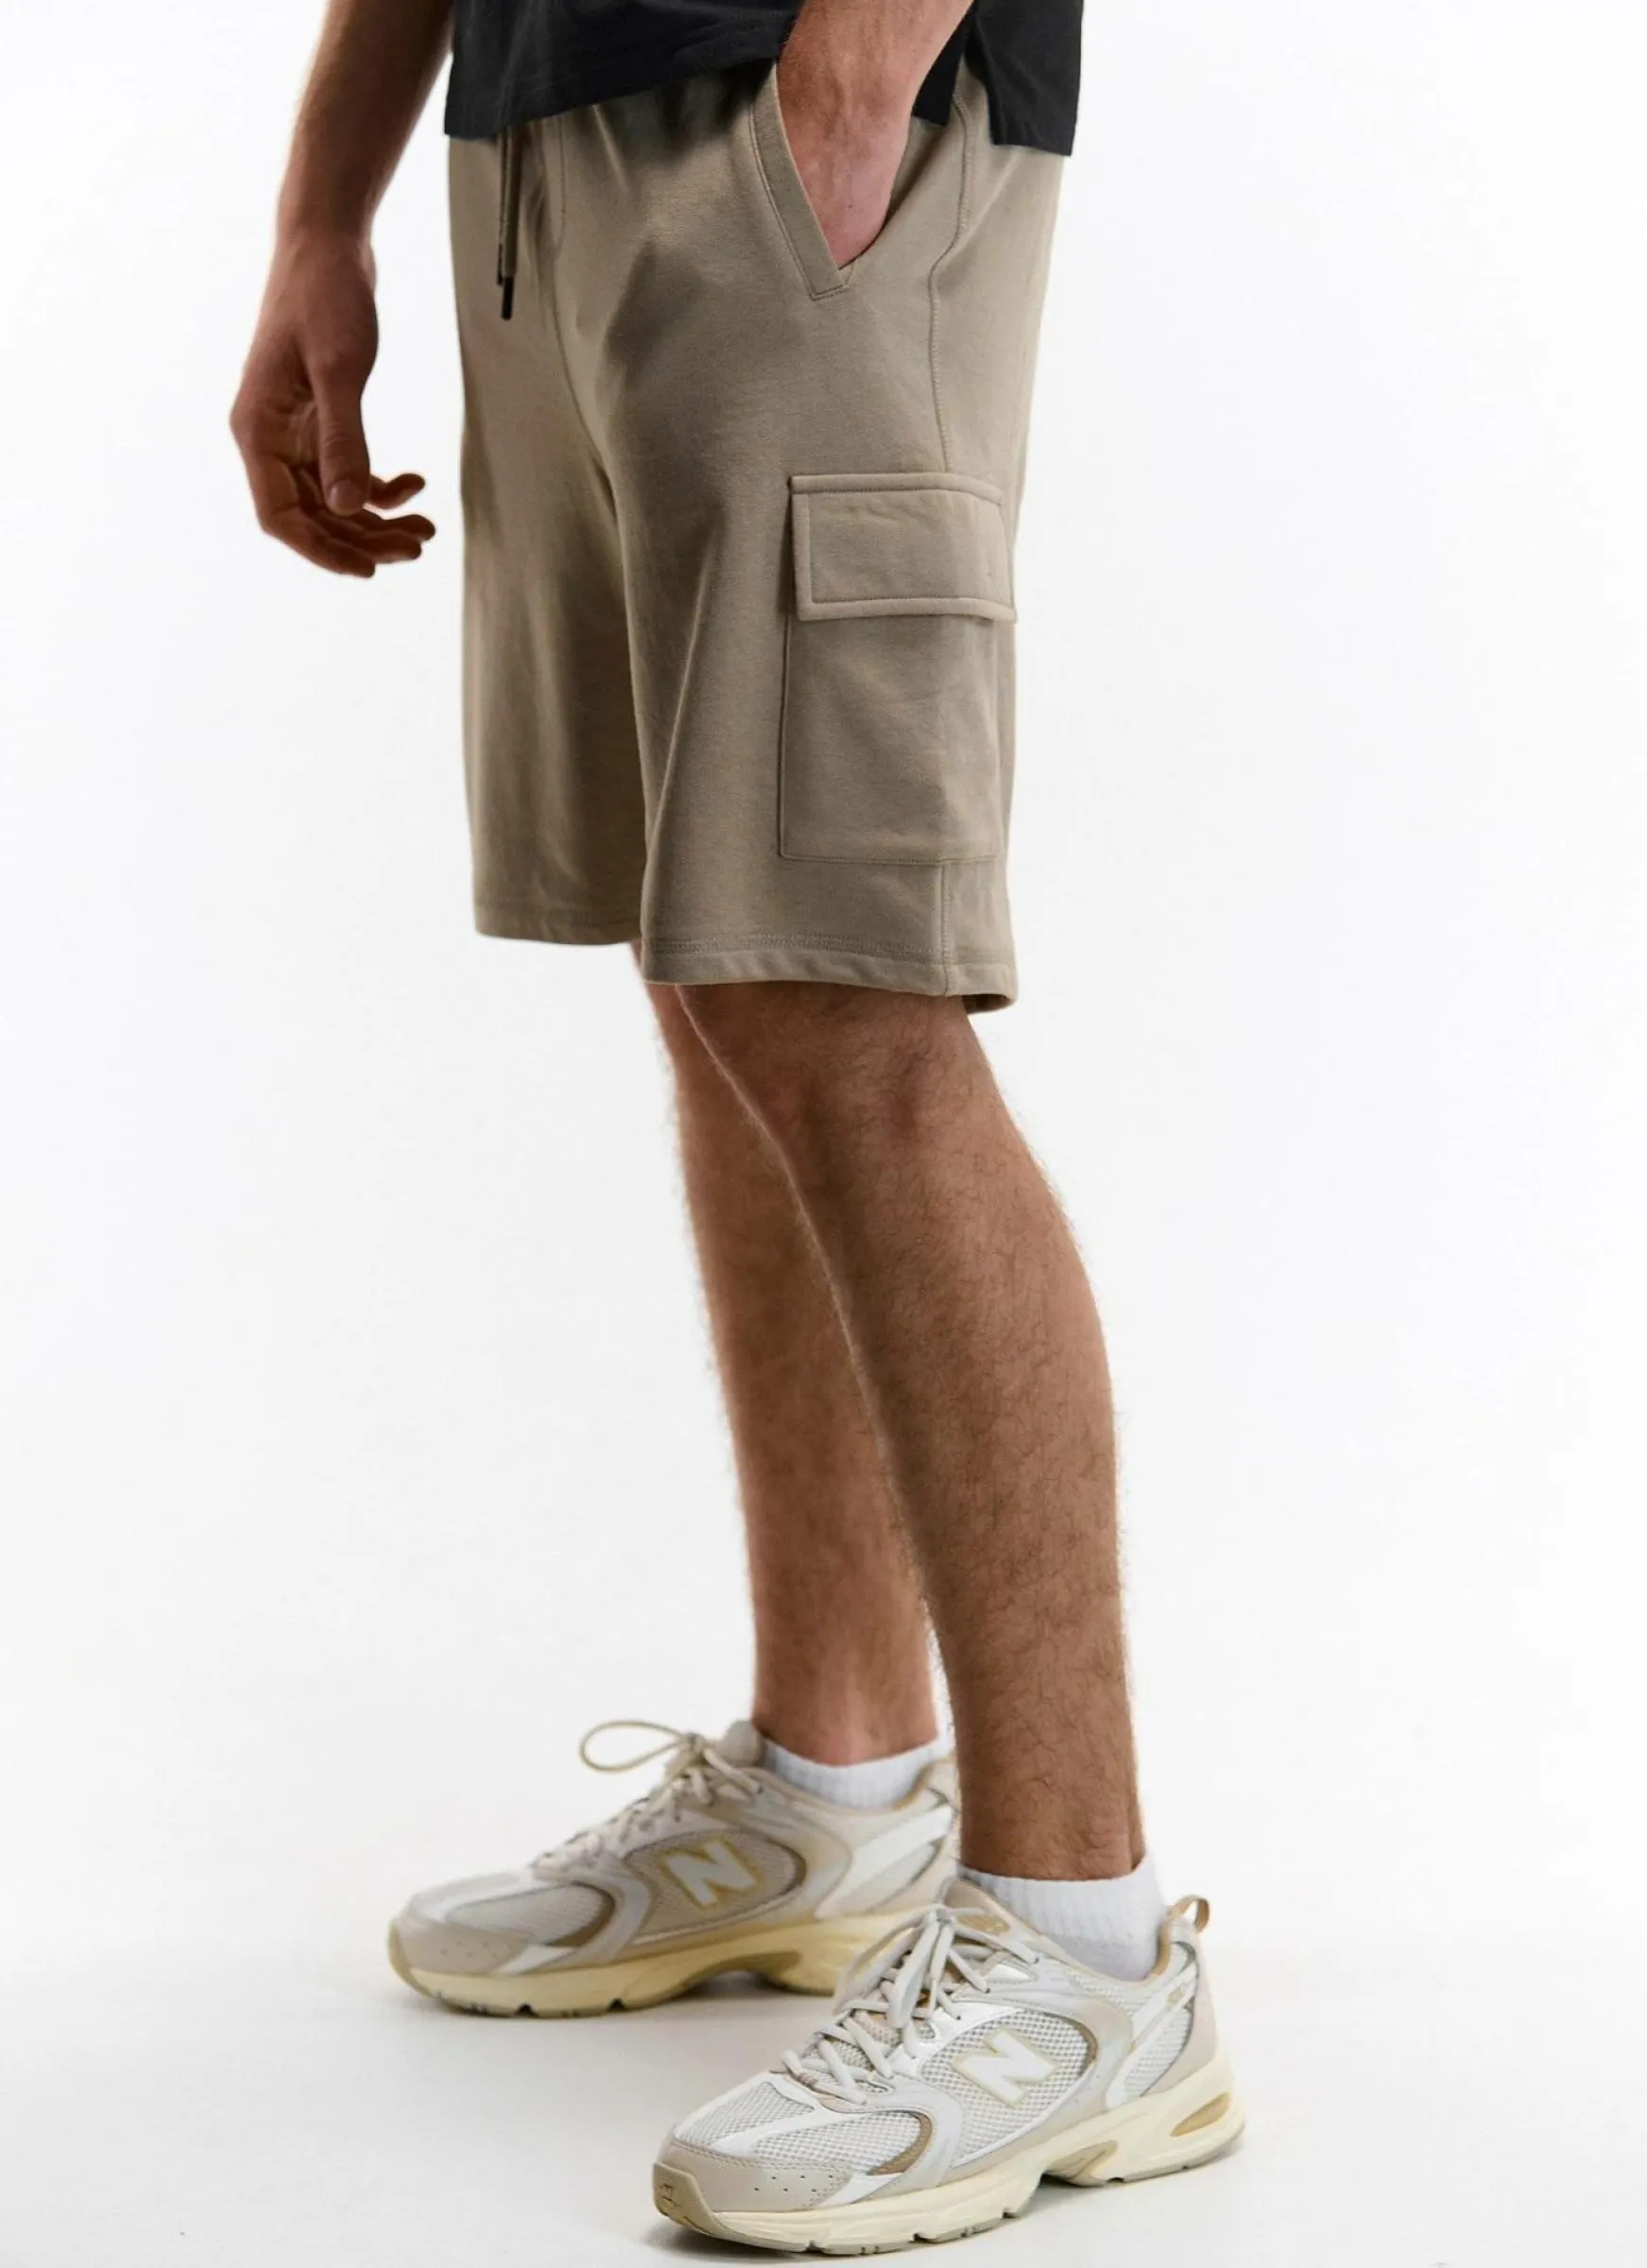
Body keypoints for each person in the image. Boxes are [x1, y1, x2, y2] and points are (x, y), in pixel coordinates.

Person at [232, 0, 1244, 2246]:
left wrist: (851, 85)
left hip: (803, 124)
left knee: (849, 1004)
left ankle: (1089, 1951)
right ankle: (832, 1782)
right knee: (720, 963)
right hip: (542, 142)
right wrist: (327, 207)